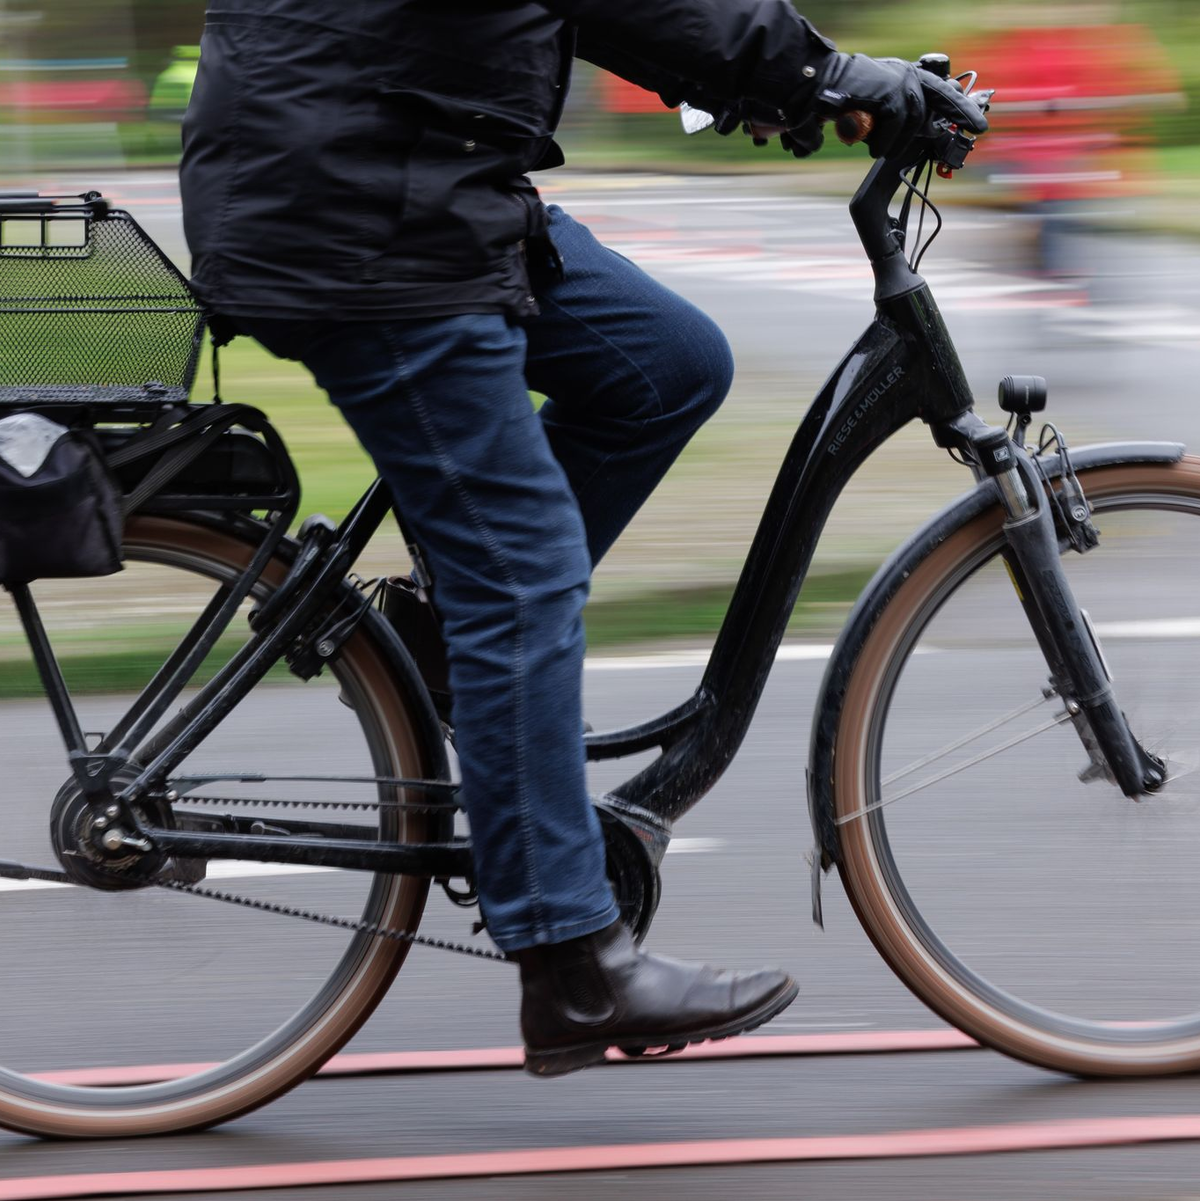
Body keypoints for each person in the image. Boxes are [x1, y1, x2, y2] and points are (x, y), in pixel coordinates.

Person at [179, 0, 986, 1079]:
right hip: (366, 211)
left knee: (668, 362)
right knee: (520, 568)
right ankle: (572, 958)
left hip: (399, 169)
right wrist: (830, 70)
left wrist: (777, 86)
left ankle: (432, 638)